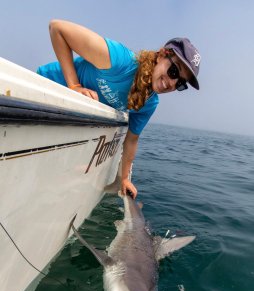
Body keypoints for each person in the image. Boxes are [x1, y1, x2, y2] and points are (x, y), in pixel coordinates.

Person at [37, 20, 201, 198]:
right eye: (174, 72)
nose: (172, 83)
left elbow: (131, 139)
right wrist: (74, 86)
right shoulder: (120, 61)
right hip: (42, 89)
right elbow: (57, 28)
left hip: (67, 118)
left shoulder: (150, 103)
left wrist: (123, 179)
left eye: (181, 84)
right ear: (162, 54)